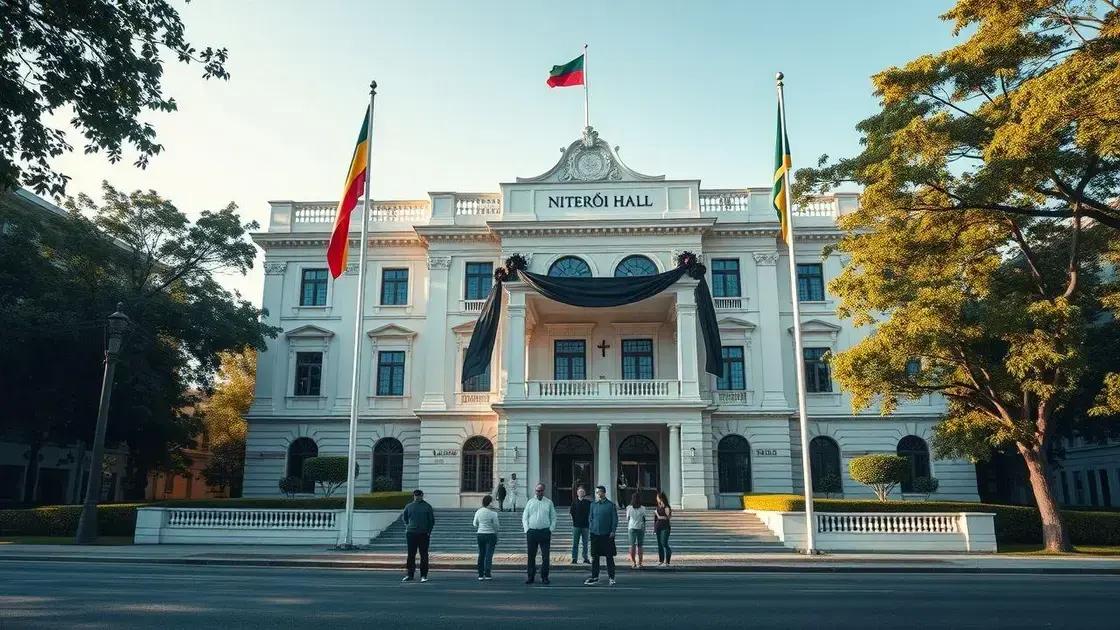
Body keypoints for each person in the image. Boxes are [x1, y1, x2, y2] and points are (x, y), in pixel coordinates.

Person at [521, 482, 557, 585]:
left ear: (543, 491)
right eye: (537, 490)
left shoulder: (549, 502)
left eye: (540, 491)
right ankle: (530, 576)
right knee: (531, 556)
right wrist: (527, 529)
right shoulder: (530, 502)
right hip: (532, 532)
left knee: (545, 556)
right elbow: (525, 517)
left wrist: (551, 529)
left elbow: (553, 517)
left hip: (545, 532)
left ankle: (544, 577)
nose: (538, 492)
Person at [585, 485, 617, 586]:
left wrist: (613, 530)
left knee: (609, 557)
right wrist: (592, 528)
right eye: (596, 492)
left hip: (607, 534)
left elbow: (614, 519)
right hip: (595, 534)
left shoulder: (610, 505)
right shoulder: (593, 505)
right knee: (595, 557)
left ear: (603, 493)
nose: (597, 494)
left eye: (598, 492)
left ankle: (611, 577)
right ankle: (595, 576)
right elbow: (590, 517)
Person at [401, 489, 435, 583]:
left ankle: (423, 575)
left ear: (422, 496)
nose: (417, 497)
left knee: (424, 555)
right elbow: (405, 518)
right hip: (411, 533)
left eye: (419, 495)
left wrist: (428, 531)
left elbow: (431, 521)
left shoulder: (427, 507)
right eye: (416, 495)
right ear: (414, 496)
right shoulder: (409, 506)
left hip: (423, 533)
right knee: (411, 554)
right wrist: (409, 526)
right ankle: (409, 574)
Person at [473, 494, 500, 580]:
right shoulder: (493, 514)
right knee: (489, 555)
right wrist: (495, 532)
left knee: (481, 554)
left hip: (480, 534)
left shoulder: (478, 511)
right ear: (490, 503)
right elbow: (496, 526)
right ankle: (487, 573)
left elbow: (475, 523)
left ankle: (480, 574)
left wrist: (480, 526)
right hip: (491, 534)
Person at [569, 485, 591, 564]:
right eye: (579, 492)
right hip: (576, 526)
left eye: (582, 492)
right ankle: (574, 558)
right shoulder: (574, 502)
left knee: (585, 543)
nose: (581, 493)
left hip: (585, 525)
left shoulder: (588, 503)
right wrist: (574, 521)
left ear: (584, 493)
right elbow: (572, 513)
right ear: (577, 493)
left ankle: (585, 558)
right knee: (575, 543)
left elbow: (590, 513)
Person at [626, 493, 647, 569]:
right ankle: (640, 563)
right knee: (640, 545)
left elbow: (628, 518)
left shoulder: (629, 508)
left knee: (632, 545)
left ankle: (633, 562)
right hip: (640, 527)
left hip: (631, 527)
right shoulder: (643, 508)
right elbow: (644, 519)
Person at [654, 491, 673, 567]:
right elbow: (655, 519)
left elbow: (668, 517)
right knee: (659, 545)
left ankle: (667, 561)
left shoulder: (666, 507)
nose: (657, 499)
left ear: (661, 498)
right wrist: (654, 528)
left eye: (657, 498)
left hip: (665, 527)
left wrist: (658, 515)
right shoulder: (658, 507)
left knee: (664, 543)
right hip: (658, 527)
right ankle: (661, 560)